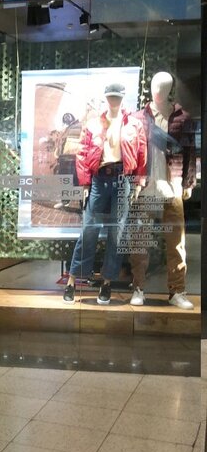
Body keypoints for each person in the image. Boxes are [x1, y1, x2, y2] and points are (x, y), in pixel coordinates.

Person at [63, 82, 146, 305]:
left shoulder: (134, 124)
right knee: (89, 229)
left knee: (117, 233)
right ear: (106, 98)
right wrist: (85, 183)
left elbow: (141, 153)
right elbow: (82, 153)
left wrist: (138, 181)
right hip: (99, 179)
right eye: (110, 96)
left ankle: (107, 283)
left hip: (122, 180)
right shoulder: (93, 124)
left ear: (123, 97)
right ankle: (72, 280)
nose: (113, 100)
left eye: (117, 96)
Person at [128, 71, 196, 309]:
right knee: (140, 241)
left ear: (170, 90)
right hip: (145, 188)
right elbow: (131, 152)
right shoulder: (138, 118)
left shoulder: (182, 118)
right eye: (156, 86)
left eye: (163, 86)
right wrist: (132, 183)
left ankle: (177, 291)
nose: (158, 90)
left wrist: (188, 183)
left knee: (176, 242)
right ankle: (138, 288)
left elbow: (189, 153)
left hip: (172, 186)